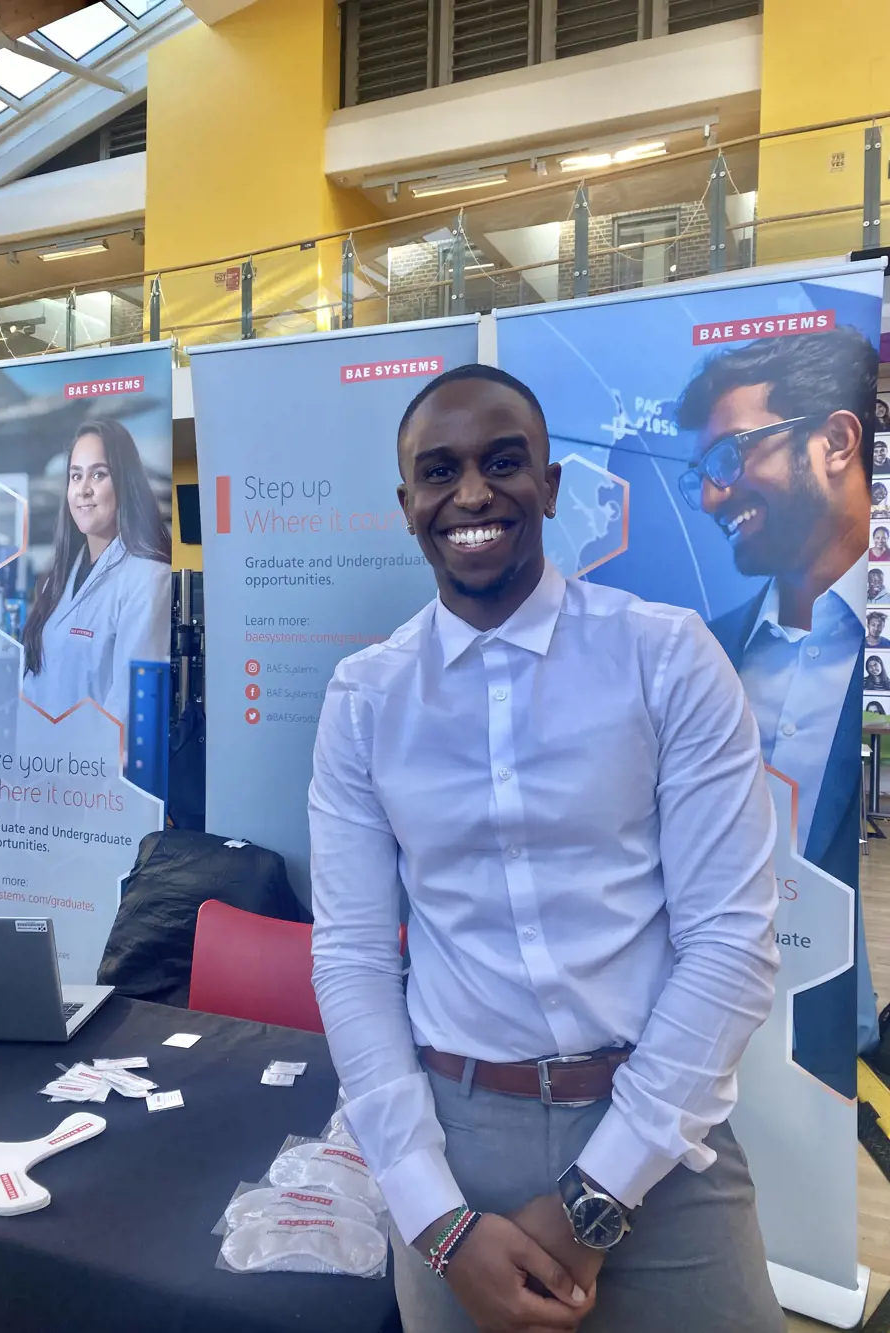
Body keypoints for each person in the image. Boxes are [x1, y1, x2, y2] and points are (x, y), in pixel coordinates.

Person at [310, 365, 783, 1333]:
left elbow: (731, 942)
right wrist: (430, 1213)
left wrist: (592, 1198)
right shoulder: (364, 698)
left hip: (659, 1132)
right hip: (453, 1144)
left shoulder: (666, 656)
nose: (472, 493)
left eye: (503, 462)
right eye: (439, 472)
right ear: (407, 506)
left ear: (552, 487)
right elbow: (352, 954)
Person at [675, 325, 880, 1083]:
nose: (708, 494)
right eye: (701, 469)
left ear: (834, 440)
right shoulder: (701, 653)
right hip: (702, 1039)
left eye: (729, 456)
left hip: (831, 1060)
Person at [21, 418, 171, 724]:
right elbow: (37, 683)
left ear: (124, 483)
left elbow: (130, 706)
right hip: (39, 762)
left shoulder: (149, 579)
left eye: (98, 475)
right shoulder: (58, 578)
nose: (83, 490)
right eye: (76, 477)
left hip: (94, 766)